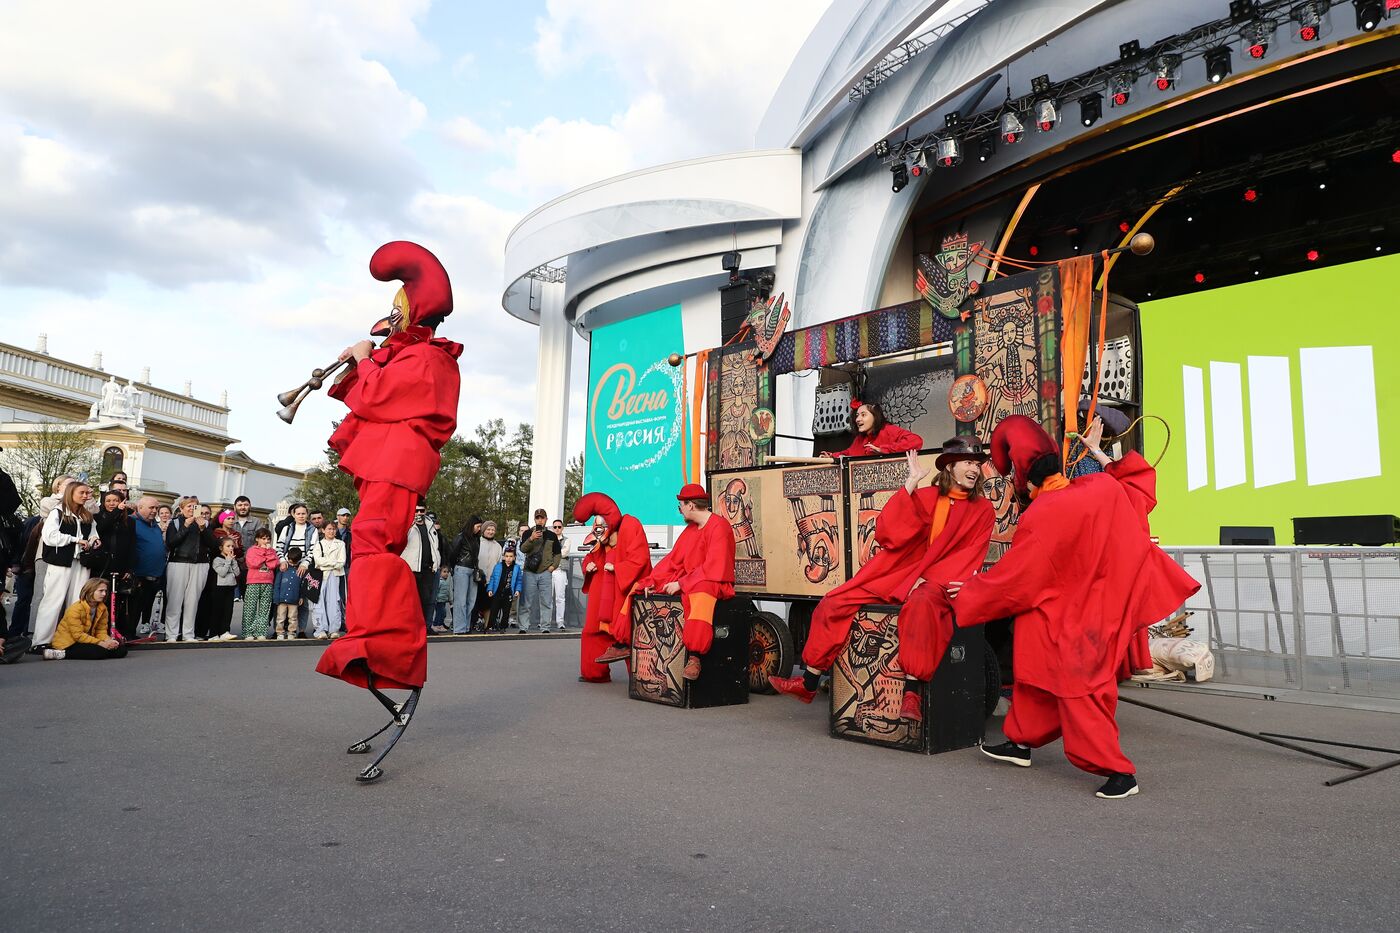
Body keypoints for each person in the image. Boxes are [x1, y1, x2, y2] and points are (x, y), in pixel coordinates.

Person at [915, 415, 1201, 799]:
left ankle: (1119, 773)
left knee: (1078, 693)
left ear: (1029, 482)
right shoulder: (1100, 485)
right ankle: (1020, 743)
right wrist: (1101, 454)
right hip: (1092, 609)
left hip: (1074, 619)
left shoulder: (1042, 514)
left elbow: (1016, 580)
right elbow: (1138, 491)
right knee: (1035, 679)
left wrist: (967, 591)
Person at [314, 240, 462, 783]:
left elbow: (378, 399)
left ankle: (385, 647)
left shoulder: (430, 359)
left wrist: (364, 360)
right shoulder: (414, 354)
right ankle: (371, 641)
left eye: (400, 306)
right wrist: (366, 357)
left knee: (375, 540)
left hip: (400, 463)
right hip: (390, 462)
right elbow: (368, 394)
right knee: (369, 539)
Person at [771, 439, 997, 720]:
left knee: (921, 605)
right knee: (835, 600)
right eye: (968, 462)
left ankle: (912, 693)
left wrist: (927, 580)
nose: (974, 469)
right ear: (950, 466)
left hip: (938, 582)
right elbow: (889, 533)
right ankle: (809, 682)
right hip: (899, 573)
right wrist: (910, 484)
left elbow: (969, 554)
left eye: (977, 463)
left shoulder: (983, 510)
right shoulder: (926, 497)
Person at [632, 484, 735, 681]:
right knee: (644, 587)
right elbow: (673, 560)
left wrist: (681, 583)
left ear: (690, 506)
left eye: (680, 506)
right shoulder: (690, 530)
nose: (680, 511)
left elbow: (714, 568)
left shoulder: (719, 526)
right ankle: (622, 644)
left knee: (701, 589)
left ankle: (695, 656)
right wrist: (655, 581)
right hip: (691, 579)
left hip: (714, 582)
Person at [575, 492, 652, 674]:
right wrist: (588, 566)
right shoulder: (601, 541)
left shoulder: (630, 525)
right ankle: (593, 673)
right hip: (601, 593)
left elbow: (640, 558)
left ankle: (642, 677)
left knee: (628, 634)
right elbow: (590, 556)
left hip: (621, 591)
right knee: (593, 632)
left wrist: (618, 567)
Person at [33, 481, 100, 649]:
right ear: (71, 493)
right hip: (61, 562)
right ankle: (41, 641)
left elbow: (93, 534)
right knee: (53, 600)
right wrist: (75, 540)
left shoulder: (87, 516)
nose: (85, 496)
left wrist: (94, 541)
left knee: (77, 601)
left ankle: (70, 639)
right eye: (82, 493)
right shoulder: (58, 512)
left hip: (81, 562)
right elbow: (49, 536)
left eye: (87, 493)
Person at [164, 496, 214, 642]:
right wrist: (185, 526)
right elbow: (171, 543)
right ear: (181, 509)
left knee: (192, 601)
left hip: (200, 564)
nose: (192, 509)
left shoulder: (204, 523)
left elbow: (213, 544)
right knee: (175, 600)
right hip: (178, 562)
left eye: (194, 506)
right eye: (189, 506)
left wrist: (203, 528)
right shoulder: (175, 523)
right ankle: (171, 634)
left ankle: (188, 634)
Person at [48, 578, 127, 660]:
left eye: (105, 591)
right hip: (69, 643)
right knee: (99, 652)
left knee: (121, 650)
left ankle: (100, 651)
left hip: (88, 640)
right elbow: (78, 635)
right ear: (90, 591)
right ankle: (62, 653)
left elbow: (101, 631)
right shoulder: (75, 609)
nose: (104, 594)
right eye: (101, 591)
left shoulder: (103, 609)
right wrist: (100, 643)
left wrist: (109, 641)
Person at [92, 489, 135, 638]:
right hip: (103, 564)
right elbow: (101, 528)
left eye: (115, 500)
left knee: (118, 600)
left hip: (121, 564)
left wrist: (129, 567)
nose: (112, 503)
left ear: (122, 501)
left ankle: (117, 629)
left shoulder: (129, 520)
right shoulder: (98, 517)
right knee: (102, 597)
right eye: (108, 501)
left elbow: (131, 544)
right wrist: (116, 511)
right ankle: (100, 630)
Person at [820, 400, 923, 459]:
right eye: (857, 416)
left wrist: (882, 449)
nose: (858, 419)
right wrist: (832, 456)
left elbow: (916, 441)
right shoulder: (859, 439)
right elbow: (849, 453)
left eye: (863, 415)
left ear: (875, 416)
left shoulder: (888, 430)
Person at [129, 496, 166, 642]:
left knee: (143, 606)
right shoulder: (132, 522)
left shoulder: (154, 525)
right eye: (151, 508)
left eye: (156, 508)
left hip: (154, 574)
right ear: (140, 507)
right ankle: (128, 633)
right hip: (138, 574)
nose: (155, 511)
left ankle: (132, 632)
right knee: (133, 608)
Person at [401, 503, 442, 632]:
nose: (419, 514)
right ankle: (411, 627)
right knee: (411, 600)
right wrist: (409, 524)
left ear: (426, 511)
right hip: (412, 568)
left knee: (428, 599)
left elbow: (436, 546)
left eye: (421, 511)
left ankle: (425, 626)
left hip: (428, 568)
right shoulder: (407, 525)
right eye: (416, 511)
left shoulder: (430, 525)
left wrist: (437, 563)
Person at [518, 508, 559, 634]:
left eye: (542, 518)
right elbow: (523, 549)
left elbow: (557, 554)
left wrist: (552, 568)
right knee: (526, 601)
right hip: (529, 571)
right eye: (537, 518)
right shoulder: (527, 533)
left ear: (546, 519)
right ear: (534, 519)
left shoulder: (552, 535)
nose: (540, 520)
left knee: (546, 601)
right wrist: (531, 538)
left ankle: (545, 627)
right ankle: (523, 627)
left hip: (545, 572)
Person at [446, 515, 482, 635]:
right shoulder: (461, 537)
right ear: (472, 525)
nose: (479, 529)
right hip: (461, 568)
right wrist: (453, 567)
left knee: (471, 600)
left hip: (472, 569)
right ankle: (459, 628)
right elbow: (452, 553)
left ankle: (466, 626)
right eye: (478, 526)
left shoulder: (476, 539)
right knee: (461, 600)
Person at [310, 522, 346, 638]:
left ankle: (334, 629)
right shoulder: (318, 545)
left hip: (335, 575)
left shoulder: (340, 544)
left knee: (334, 601)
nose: (332, 531)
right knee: (319, 602)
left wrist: (326, 563)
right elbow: (318, 561)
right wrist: (332, 563)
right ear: (323, 530)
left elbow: (341, 562)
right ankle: (320, 629)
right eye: (329, 529)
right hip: (321, 576)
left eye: (334, 529)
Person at [241, 528, 278, 640]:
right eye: (263, 538)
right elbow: (253, 563)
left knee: (264, 608)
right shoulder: (252, 550)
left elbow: (273, 564)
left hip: (268, 581)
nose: (266, 541)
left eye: (268, 538)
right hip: (254, 581)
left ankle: (261, 631)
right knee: (250, 607)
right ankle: (248, 632)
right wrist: (263, 553)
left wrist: (267, 554)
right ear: (257, 539)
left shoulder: (272, 551)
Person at [204, 538, 240, 641]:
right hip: (219, 587)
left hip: (230, 587)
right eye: (228, 546)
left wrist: (233, 561)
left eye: (232, 546)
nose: (231, 548)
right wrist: (228, 561)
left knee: (228, 610)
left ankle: (225, 631)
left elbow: (237, 573)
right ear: (221, 548)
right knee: (217, 610)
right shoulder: (217, 560)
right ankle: (213, 633)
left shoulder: (232, 559)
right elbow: (222, 572)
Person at [474, 520, 503, 631]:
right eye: (488, 529)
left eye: (493, 530)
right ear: (483, 530)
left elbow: (499, 563)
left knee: (488, 604)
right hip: (478, 578)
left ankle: (487, 625)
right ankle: (473, 623)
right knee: (475, 603)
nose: (490, 532)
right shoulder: (478, 542)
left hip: (491, 580)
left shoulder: (498, 546)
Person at [484, 547, 523, 631]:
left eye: (511, 556)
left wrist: (517, 590)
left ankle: (503, 627)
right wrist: (490, 589)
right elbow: (493, 578)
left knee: (506, 611)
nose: (508, 558)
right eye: (507, 556)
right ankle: (490, 626)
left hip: (508, 592)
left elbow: (519, 580)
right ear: (504, 557)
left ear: (514, 557)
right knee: (494, 610)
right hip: (497, 592)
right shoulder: (498, 566)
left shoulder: (516, 568)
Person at [273, 546, 305, 640]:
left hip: (294, 599)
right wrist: (276, 598)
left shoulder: (300, 570)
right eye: (290, 561)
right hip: (282, 599)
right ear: (287, 558)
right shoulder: (283, 569)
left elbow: (302, 585)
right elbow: (277, 585)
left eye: (294, 562)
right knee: (280, 617)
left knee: (293, 617)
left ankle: (292, 632)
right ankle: (279, 632)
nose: (292, 564)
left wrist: (301, 597)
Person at [551, 518, 570, 631]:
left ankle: (560, 621)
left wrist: (553, 554)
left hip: (560, 571)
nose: (557, 529)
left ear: (562, 528)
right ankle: (546, 621)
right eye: (555, 527)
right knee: (548, 597)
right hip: (549, 571)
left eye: (559, 527)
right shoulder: (549, 540)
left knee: (560, 597)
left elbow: (565, 552)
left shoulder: (567, 540)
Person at [433, 567, 451, 632]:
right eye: (444, 572)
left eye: (447, 572)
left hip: (443, 601)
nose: (446, 573)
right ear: (440, 573)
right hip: (439, 601)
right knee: (440, 613)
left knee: (443, 613)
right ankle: (437, 625)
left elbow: (447, 592)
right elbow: (436, 590)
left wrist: (448, 599)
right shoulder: (439, 581)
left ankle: (439, 625)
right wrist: (435, 598)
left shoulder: (446, 582)